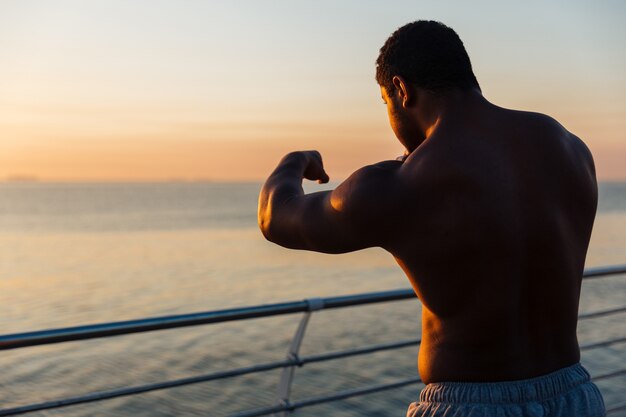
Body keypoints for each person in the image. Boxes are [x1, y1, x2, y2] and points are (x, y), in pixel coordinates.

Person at [257, 20, 605, 417]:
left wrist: (296, 161)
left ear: (402, 91)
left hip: (468, 405)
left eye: (385, 102)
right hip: (575, 396)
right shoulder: (571, 150)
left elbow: (275, 216)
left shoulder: (400, 184)